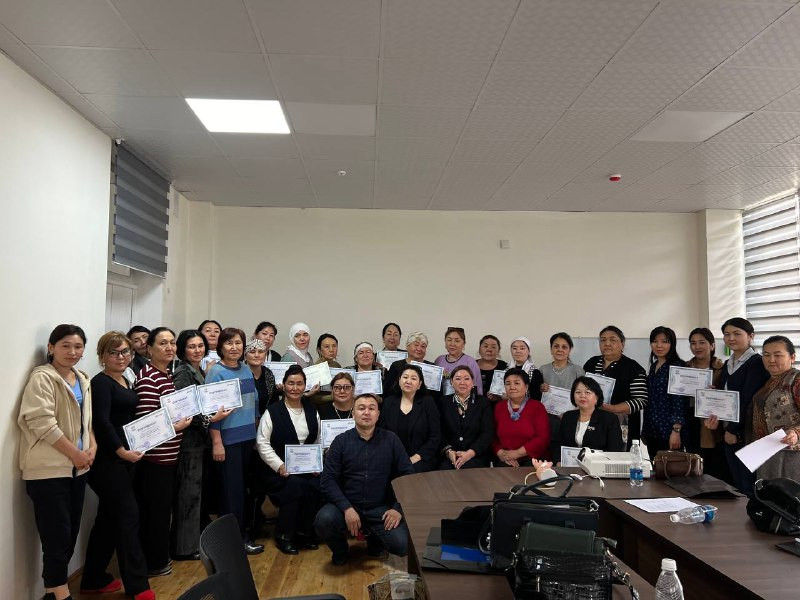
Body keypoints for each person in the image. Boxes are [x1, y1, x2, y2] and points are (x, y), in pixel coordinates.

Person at [19, 325, 96, 600]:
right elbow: (41, 423)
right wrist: (75, 453)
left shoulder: (83, 378)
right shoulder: (42, 378)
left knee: (70, 533)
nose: (72, 352)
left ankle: (52, 591)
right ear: (51, 348)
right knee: (57, 536)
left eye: (78, 346)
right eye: (65, 346)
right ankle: (60, 593)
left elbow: (86, 421)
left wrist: (92, 446)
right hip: (48, 471)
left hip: (78, 469)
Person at [80, 332, 153, 600]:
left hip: (124, 458)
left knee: (108, 519)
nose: (121, 357)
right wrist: (121, 451)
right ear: (102, 356)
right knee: (128, 516)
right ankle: (138, 587)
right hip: (107, 461)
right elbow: (101, 422)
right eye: (114, 352)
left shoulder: (125, 378)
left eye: (125, 352)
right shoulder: (101, 383)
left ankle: (93, 579)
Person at [315, 393, 414, 565]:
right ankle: (340, 550)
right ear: (353, 414)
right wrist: (346, 508)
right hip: (347, 505)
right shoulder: (340, 441)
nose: (366, 412)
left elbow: (407, 476)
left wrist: (397, 509)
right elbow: (327, 480)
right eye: (361, 408)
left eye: (371, 408)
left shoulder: (391, 440)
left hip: (380, 507)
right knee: (324, 521)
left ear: (378, 414)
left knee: (402, 545)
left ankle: (374, 539)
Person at [134, 327, 192, 577]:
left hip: (168, 457)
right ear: (149, 349)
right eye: (162, 343)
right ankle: (153, 563)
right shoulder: (148, 378)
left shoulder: (165, 374)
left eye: (172, 343)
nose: (169, 348)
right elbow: (145, 426)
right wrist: (176, 426)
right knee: (154, 514)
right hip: (154, 459)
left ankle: (157, 559)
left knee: (161, 512)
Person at [205, 328, 262, 554]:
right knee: (231, 493)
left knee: (241, 490)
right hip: (227, 441)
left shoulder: (245, 369)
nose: (234, 347)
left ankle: (238, 537)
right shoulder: (216, 372)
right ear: (221, 346)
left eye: (238, 343)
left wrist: (255, 435)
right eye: (229, 343)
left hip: (246, 438)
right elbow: (211, 412)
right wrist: (217, 442)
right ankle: (233, 543)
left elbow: (253, 403)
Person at [256, 365, 322, 555]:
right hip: (278, 470)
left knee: (315, 485)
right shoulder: (272, 411)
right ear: (284, 385)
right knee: (295, 485)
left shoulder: (312, 410)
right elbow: (262, 443)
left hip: (306, 468)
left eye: (299, 383)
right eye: (291, 383)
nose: (295, 388)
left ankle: (305, 532)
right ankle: (284, 535)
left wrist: (316, 463)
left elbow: (318, 440)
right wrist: (280, 466)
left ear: (305, 386)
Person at [705, 317, 769, 496]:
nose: (731, 338)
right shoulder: (729, 363)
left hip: (745, 432)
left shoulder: (756, 363)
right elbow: (727, 396)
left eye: (737, 334)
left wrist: (734, 430)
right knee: (737, 483)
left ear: (751, 336)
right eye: (727, 334)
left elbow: (747, 399)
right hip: (729, 430)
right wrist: (714, 394)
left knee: (748, 485)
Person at [170, 329, 212, 562]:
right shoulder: (183, 373)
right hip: (188, 443)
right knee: (188, 494)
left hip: (199, 442)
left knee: (196, 494)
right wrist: (208, 419)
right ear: (182, 350)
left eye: (200, 346)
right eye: (192, 346)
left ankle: (192, 543)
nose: (197, 350)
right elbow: (182, 410)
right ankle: (184, 548)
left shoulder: (199, 370)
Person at [583, 326, 648, 447]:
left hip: (623, 426)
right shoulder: (591, 363)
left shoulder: (634, 368)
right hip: (593, 422)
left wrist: (612, 408)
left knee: (618, 456)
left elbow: (641, 400)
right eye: (603, 340)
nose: (607, 344)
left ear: (622, 344)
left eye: (612, 340)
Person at [749, 336, 800, 481]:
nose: (771, 360)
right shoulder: (769, 381)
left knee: (789, 492)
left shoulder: (796, 380)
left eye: (778, 355)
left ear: (792, 357)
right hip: (768, 450)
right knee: (770, 491)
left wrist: (796, 432)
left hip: (791, 453)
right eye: (766, 355)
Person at [379, 364, 441, 473]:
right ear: (399, 381)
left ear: (419, 384)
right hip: (393, 457)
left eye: (413, 378)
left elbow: (435, 436)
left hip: (421, 458)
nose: (408, 381)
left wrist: (416, 457)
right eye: (405, 377)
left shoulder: (427, 402)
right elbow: (382, 433)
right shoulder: (389, 402)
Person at [687, 327, 729, 481]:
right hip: (690, 421)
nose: (697, 347)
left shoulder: (723, 368)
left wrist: (715, 392)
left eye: (702, 342)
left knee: (713, 468)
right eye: (693, 343)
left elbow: (729, 396)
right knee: (691, 468)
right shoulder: (684, 368)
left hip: (713, 424)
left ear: (712, 345)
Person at [643, 326, 688, 457]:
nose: (659, 345)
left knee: (670, 467)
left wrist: (676, 431)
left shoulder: (677, 366)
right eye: (655, 341)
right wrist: (645, 430)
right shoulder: (654, 366)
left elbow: (679, 401)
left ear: (672, 344)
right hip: (652, 428)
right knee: (655, 466)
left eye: (664, 341)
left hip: (669, 430)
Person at [539, 332, 584, 462]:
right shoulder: (543, 369)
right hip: (548, 419)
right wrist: (540, 388)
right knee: (549, 455)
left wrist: (571, 412)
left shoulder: (577, 370)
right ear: (551, 349)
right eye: (556, 346)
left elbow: (584, 394)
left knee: (567, 455)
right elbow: (537, 396)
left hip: (572, 418)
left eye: (564, 347)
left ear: (570, 350)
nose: (560, 350)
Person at [438, 365, 494, 469]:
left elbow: (487, 433)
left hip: (476, 456)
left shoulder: (483, 403)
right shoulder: (443, 402)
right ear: (451, 382)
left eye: (467, 379)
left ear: (473, 382)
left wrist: (470, 453)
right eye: (458, 379)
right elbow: (439, 432)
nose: (462, 382)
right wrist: (449, 451)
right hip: (450, 456)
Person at [492, 368, 550, 466]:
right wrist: (501, 453)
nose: (512, 387)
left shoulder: (537, 407)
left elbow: (542, 438)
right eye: (508, 383)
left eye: (517, 383)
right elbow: (492, 436)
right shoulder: (499, 407)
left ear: (526, 387)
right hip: (506, 459)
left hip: (532, 459)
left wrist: (517, 453)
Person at [560, 376, 624, 452]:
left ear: (597, 397)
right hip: (570, 459)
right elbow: (559, 445)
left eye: (587, 392)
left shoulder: (609, 419)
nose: (582, 396)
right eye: (578, 392)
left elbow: (615, 450)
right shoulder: (568, 416)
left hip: (600, 459)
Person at [434, 327, 484, 395]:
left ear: (463, 344)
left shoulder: (470, 362)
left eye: (457, 341)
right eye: (449, 340)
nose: (452, 344)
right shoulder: (439, 360)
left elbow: (477, 388)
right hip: (440, 400)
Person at [476, 334, 507, 400]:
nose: (489, 350)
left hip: (499, 405)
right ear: (479, 349)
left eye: (493, 347)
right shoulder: (471, 365)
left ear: (498, 350)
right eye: (485, 346)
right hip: (474, 405)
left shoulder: (505, 367)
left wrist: (501, 396)